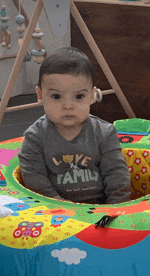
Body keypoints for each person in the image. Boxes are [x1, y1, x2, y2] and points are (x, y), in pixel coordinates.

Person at [18, 47, 131, 204]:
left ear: (92, 96)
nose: (68, 105)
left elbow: (117, 174)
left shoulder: (105, 133)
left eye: (79, 96)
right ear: (40, 95)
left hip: (100, 208)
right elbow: (34, 178)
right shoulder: (35, 137)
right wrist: (57, 202)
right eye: (56, 96)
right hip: (55, 212)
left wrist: (115, 208)